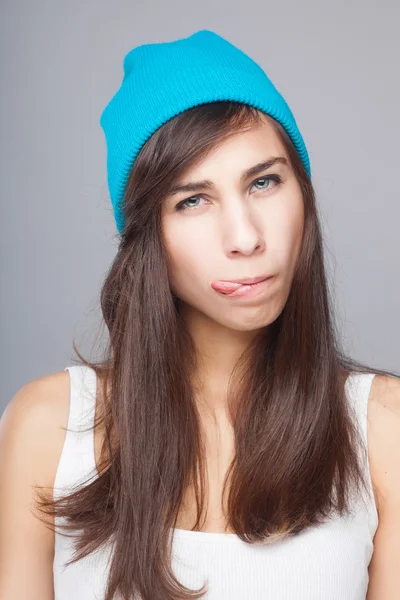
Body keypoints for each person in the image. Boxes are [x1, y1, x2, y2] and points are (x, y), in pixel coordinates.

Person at [0, 28, 399, 600]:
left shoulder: (383, 428)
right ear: (145, 236)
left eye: (264, 182)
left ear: (303, 195)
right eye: (193, 200)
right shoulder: (49, 427)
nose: (244, 238)